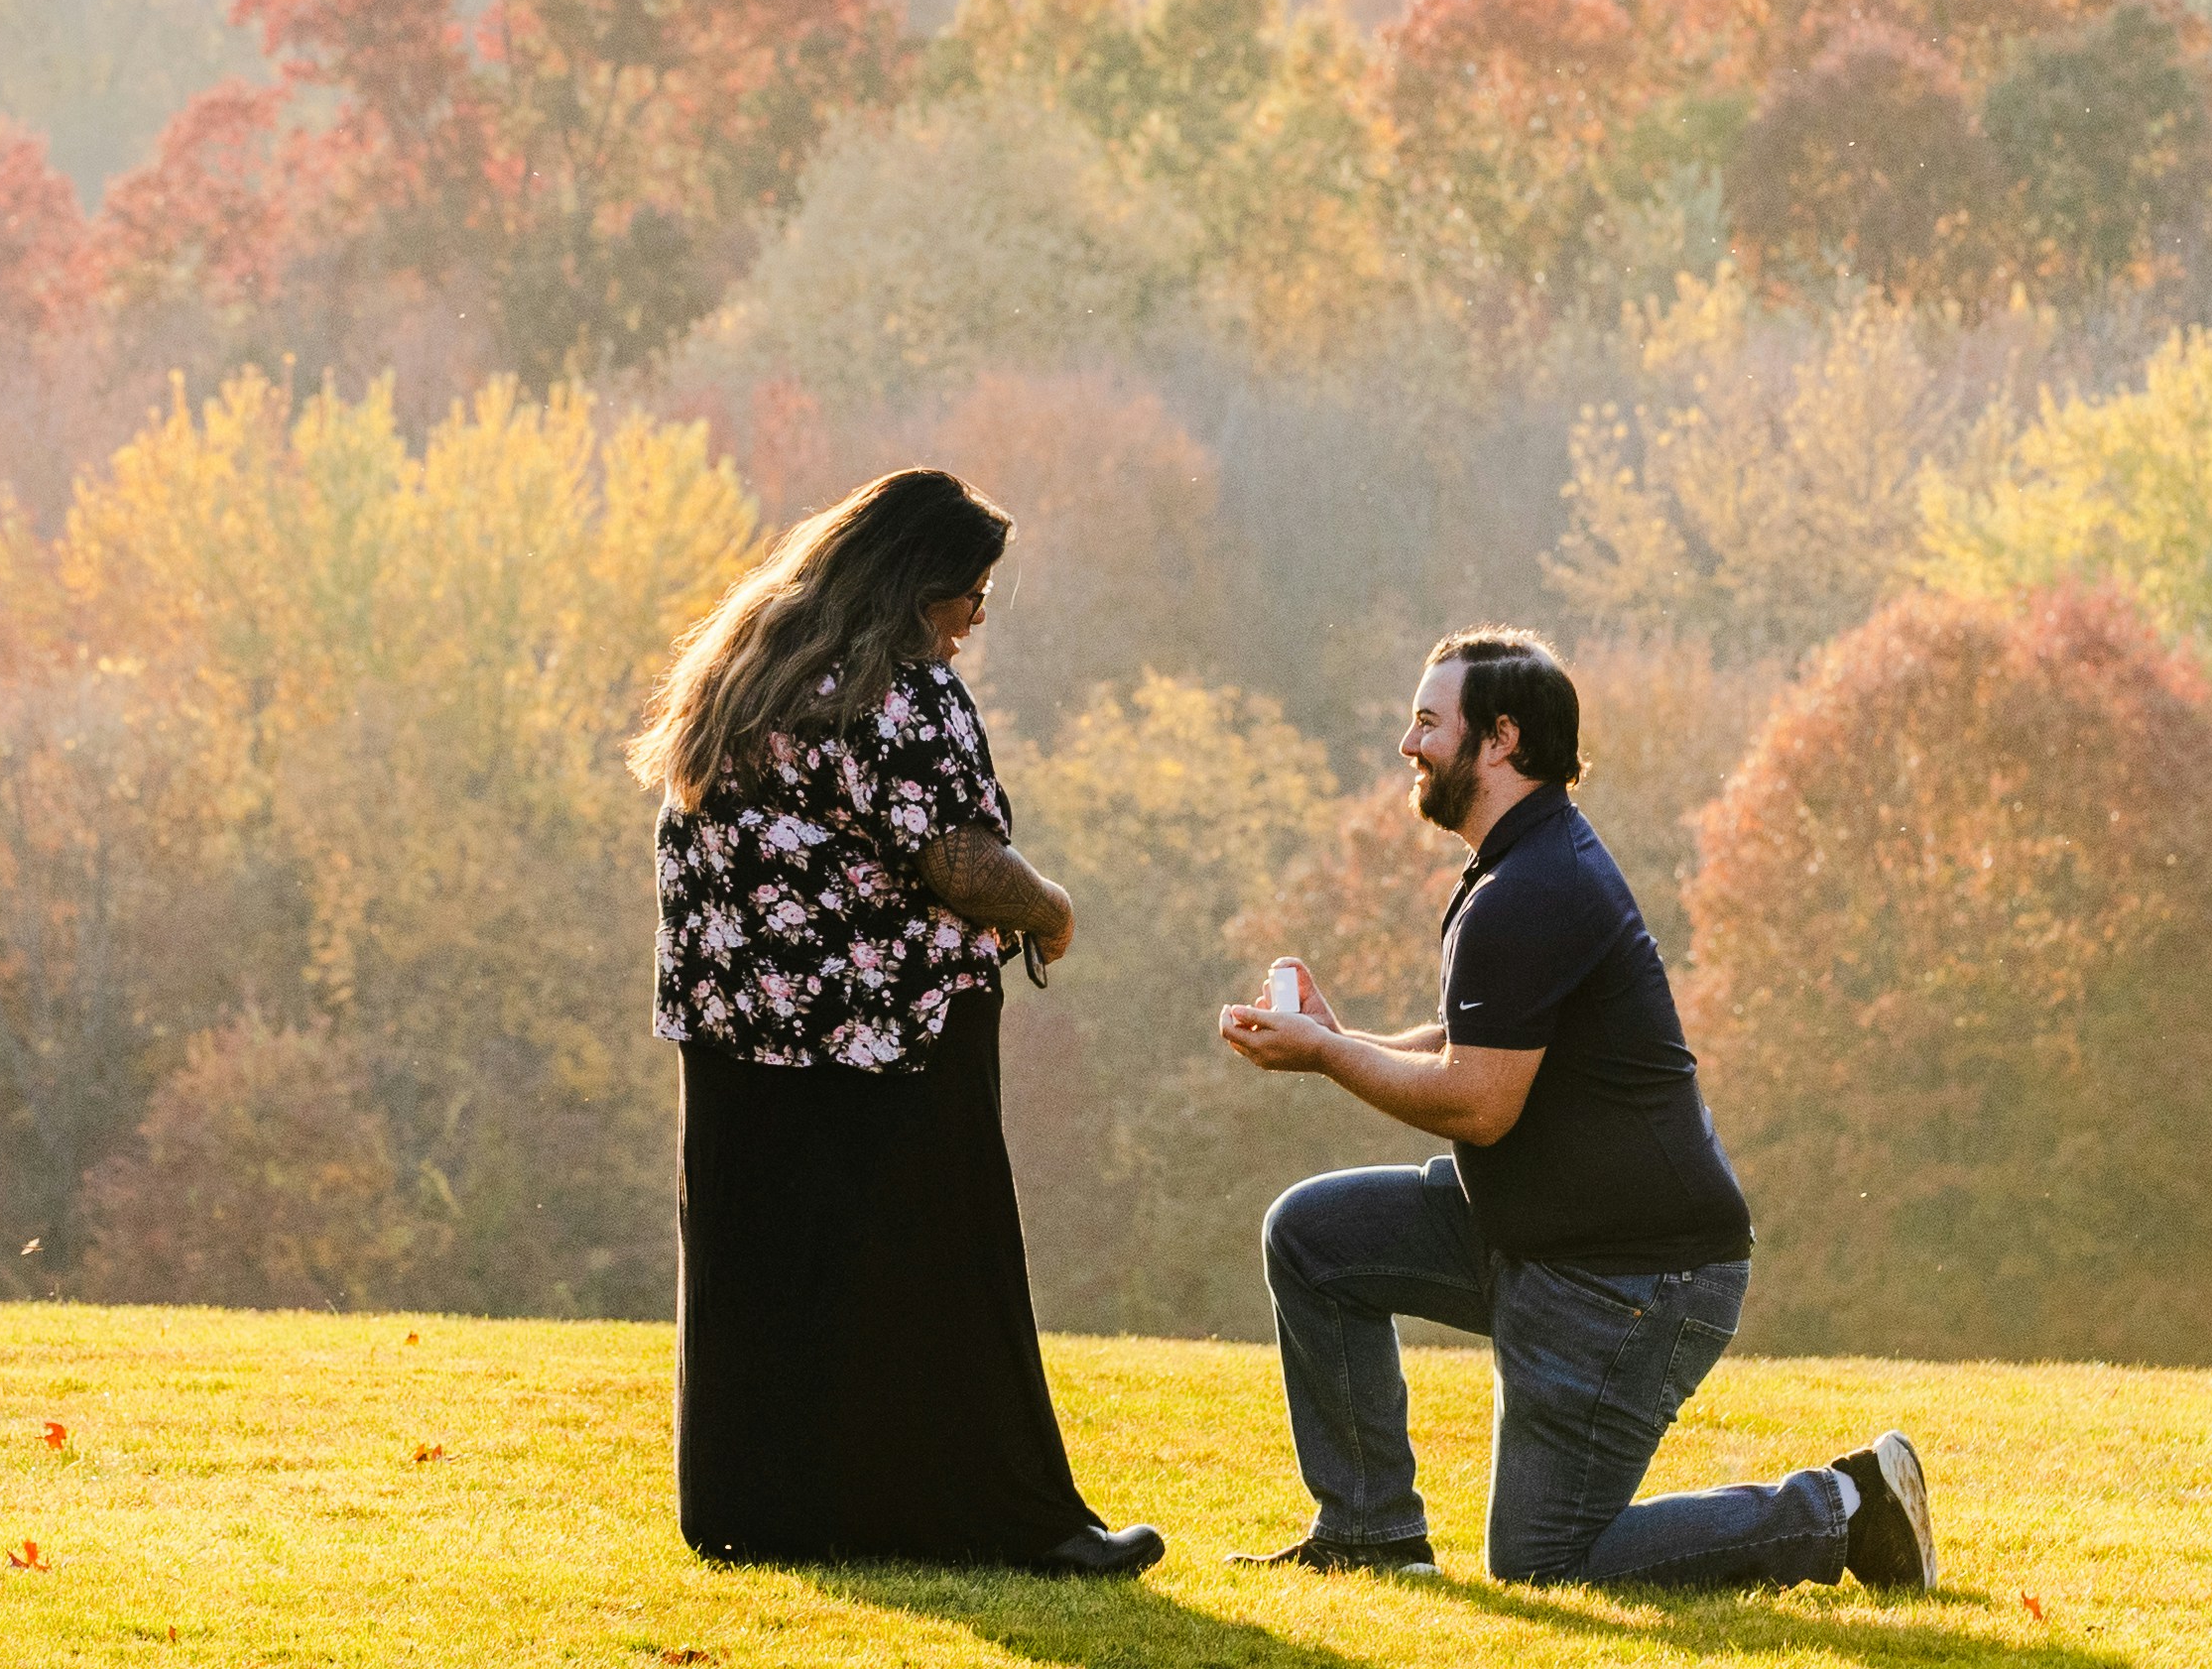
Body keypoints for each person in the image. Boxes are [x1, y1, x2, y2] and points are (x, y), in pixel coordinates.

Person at [1220, 628, 1929, 1594]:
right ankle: (1370, 1532)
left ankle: (1843, 1510)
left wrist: (1323, 1054)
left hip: (1634, 1280)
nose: (1408, 743)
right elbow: (1476, 1051)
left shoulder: (1532, 889)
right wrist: (1341, 1040)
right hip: (1543, 1239)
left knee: (1545, 1563)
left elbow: (1479, 1105)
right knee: (1313, 1237)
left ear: (1501, 737)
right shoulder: (1521, 865)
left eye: (1428, 722)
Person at [635, 467, 1166, 1578]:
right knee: (941, 1271)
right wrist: (1052, 910)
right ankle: (1013, 1516)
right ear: (917, 587)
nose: (977, 617)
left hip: (741, 1029)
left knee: (772, 1271)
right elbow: (958, 860)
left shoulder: (741, 673)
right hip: (893, 1029)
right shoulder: (901, 693)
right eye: (969, 593)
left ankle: (761, 1508)